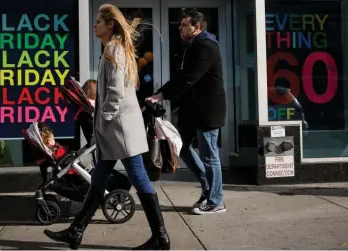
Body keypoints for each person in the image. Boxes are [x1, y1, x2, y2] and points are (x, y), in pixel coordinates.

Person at [43, 3, 170, 250]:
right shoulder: (114, 48)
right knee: (99, 179)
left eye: (99, 21)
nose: (94, 25)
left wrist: (101, 120)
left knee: (139, 179)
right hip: (118, 130)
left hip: (119, 131)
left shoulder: (113, 49)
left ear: (110, 24)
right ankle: (75, 231)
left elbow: (114, 94)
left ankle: (161, 238)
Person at [146, 9, 227, 215]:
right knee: (181, 147)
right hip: (192, 110)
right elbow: (183, 75)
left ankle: (217, 201)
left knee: (210, 155)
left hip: (207, 110)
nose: (180, 28)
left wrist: (162, 94)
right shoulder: (192, 46)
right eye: (180, 25)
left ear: (197, 27)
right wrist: (161, 93)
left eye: (184, 25)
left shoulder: (206, 46)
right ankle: (208, 188)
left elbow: (189, 76)